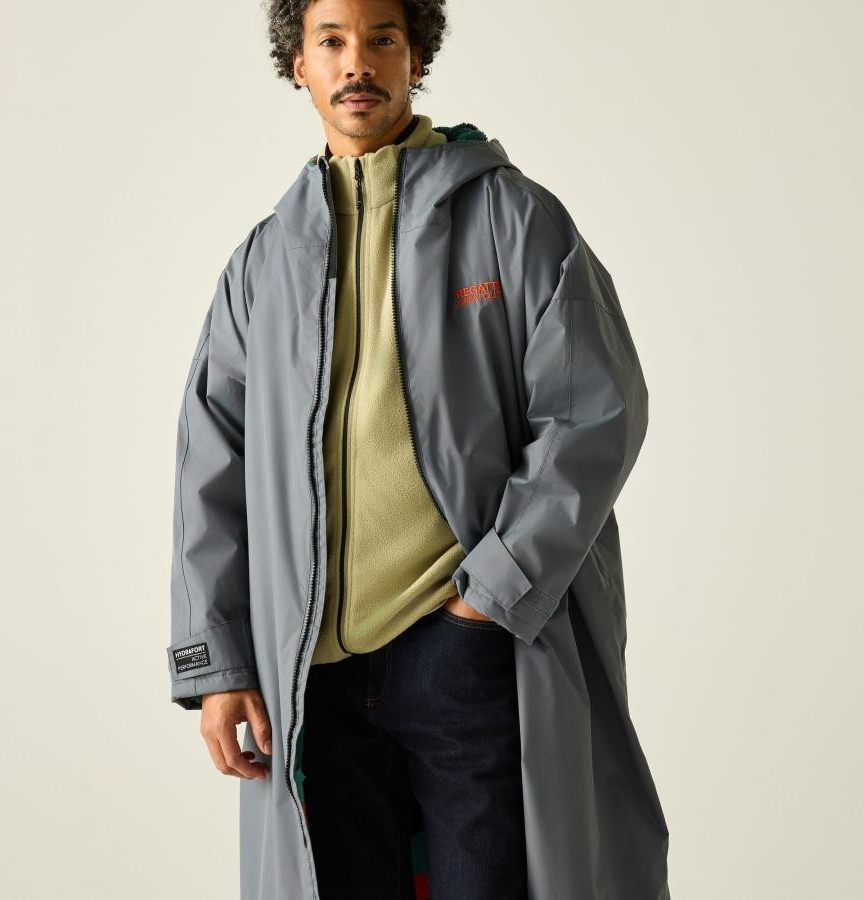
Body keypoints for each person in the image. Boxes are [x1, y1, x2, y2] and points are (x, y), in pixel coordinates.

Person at [166, 1, 672, 898]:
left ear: (416, 57)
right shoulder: (263, 263)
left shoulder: (511, 218)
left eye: (382, 39)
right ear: (299, 64)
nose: (356, 62)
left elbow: (595, 410)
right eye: (331, 41)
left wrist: (490, 597)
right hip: (311, 679)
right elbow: (213, 464)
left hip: (462, 653)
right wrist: (219, 665)